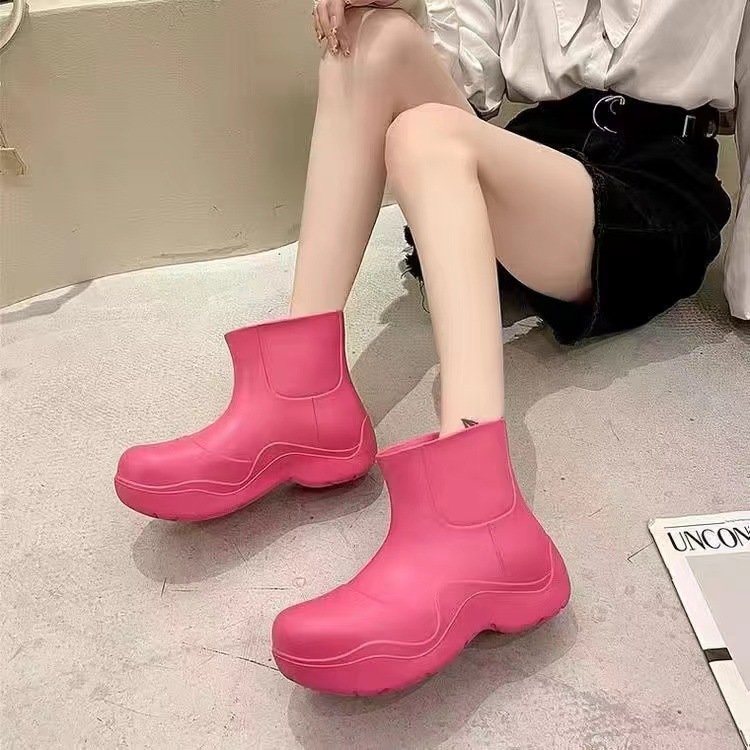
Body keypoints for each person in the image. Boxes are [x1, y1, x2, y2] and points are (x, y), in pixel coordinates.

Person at [114, 0, 749, 695]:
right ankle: (301, 394)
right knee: (370, 37)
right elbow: (467, 78)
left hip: (648, 198)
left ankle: (478, 519)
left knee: (428, 137)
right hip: (531, 162)